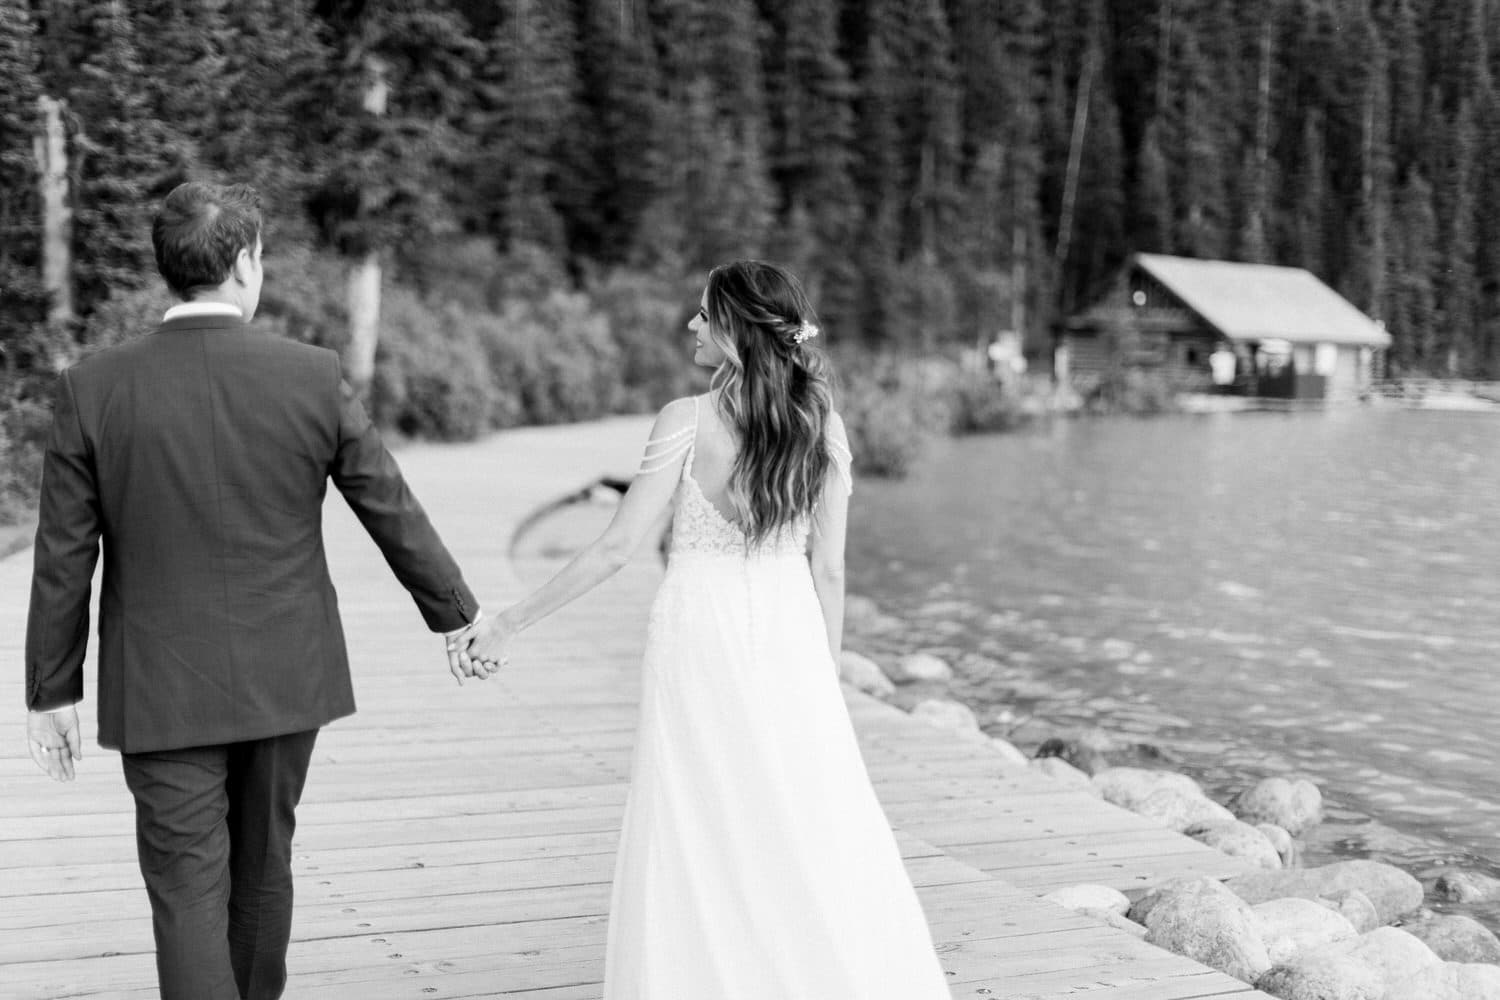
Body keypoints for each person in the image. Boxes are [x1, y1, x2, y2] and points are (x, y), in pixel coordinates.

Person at [23, 181, 482, 1000]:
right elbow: (387, 502)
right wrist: (456, 614)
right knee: (264, 869)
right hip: (285, 672)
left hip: (159, 685)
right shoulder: (309, 375)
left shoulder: (93, 386)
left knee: (187, 889)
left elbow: (65, 552)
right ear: (244, 262)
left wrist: (52, 690)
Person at [464, 260, 951, 997]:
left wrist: (508, 623)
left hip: (699, 632)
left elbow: (618, 547)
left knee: (694, 809)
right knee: (797, 808)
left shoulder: (685, 422)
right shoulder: (824, 426)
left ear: (736, 330)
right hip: (788, 637)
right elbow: (832, 571)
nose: (691, 325)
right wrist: (826, 682)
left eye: (703, 314)